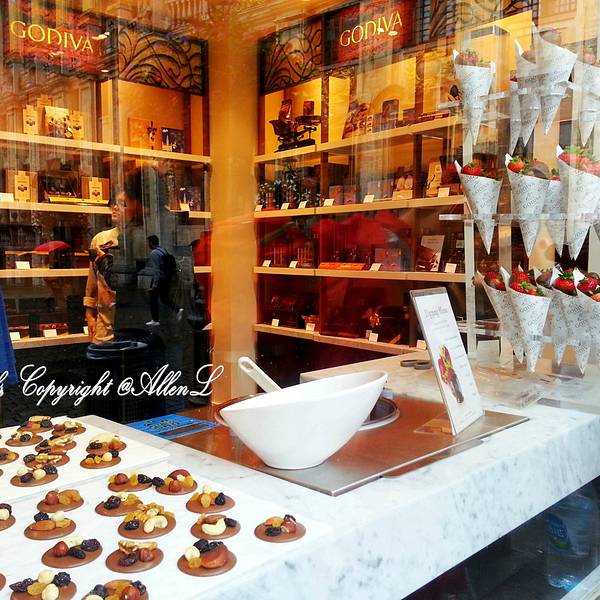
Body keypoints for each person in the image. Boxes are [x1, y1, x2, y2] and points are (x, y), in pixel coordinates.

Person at [146, 235, 183, 326]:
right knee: (164, 298)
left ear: (151, 242)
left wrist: (155, 284)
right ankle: (178, 309)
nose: (147, 244)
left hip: (159, 279)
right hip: (166, 278)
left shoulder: (154, 253)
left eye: (148, 242)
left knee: (153, 299)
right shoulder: (163, 250)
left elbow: (157, 269)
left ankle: (155, 320)